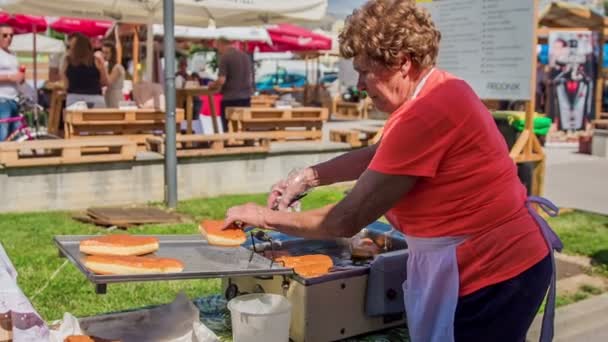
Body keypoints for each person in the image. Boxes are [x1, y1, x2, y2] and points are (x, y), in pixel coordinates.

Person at [224, 1, 562, 342]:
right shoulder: (435, 91)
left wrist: (263, 217)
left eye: (363, 71)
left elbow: (344, 219)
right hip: (494, 262)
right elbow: (381, 154)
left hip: (496, 272)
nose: (358, 84)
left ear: (402, 62)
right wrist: (307, 176)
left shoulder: (429, 110)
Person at [209, 38, 253, 133]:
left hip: (230, 97)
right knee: (245, 123)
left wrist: (212, 85)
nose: (218, 51)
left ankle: (227, 142)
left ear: (221, 44)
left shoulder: (225, 57)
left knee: (226, 124)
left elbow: (222, 80)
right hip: (246, 96)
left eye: (217, 48)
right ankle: (248, 141)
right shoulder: (245, 56)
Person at [61, 33, 108, 108]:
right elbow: (105, 82)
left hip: (74, 100)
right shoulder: (97, 60)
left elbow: (66, 85)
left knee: (74, 119)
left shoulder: (67, 61)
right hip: (95, 98)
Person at [0, 23, 24, 141]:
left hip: (14, 99)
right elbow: (11, 76)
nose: (8, 38)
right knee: (3, 135)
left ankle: (11, 159)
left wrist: (21, 77)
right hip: (2, 100)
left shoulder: (13, 54)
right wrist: (10, 77)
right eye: (5, 35)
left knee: (15, 136)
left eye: (11, 35)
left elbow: (17, 77)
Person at [101, 41, 125, 108]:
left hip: (115, 96)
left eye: (107, 53)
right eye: (103, 52)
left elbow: (109, 81)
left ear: (112, 54)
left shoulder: (117, 67)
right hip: (108, 95)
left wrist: (102, 67)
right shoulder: (107, 66)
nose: (104, 55)